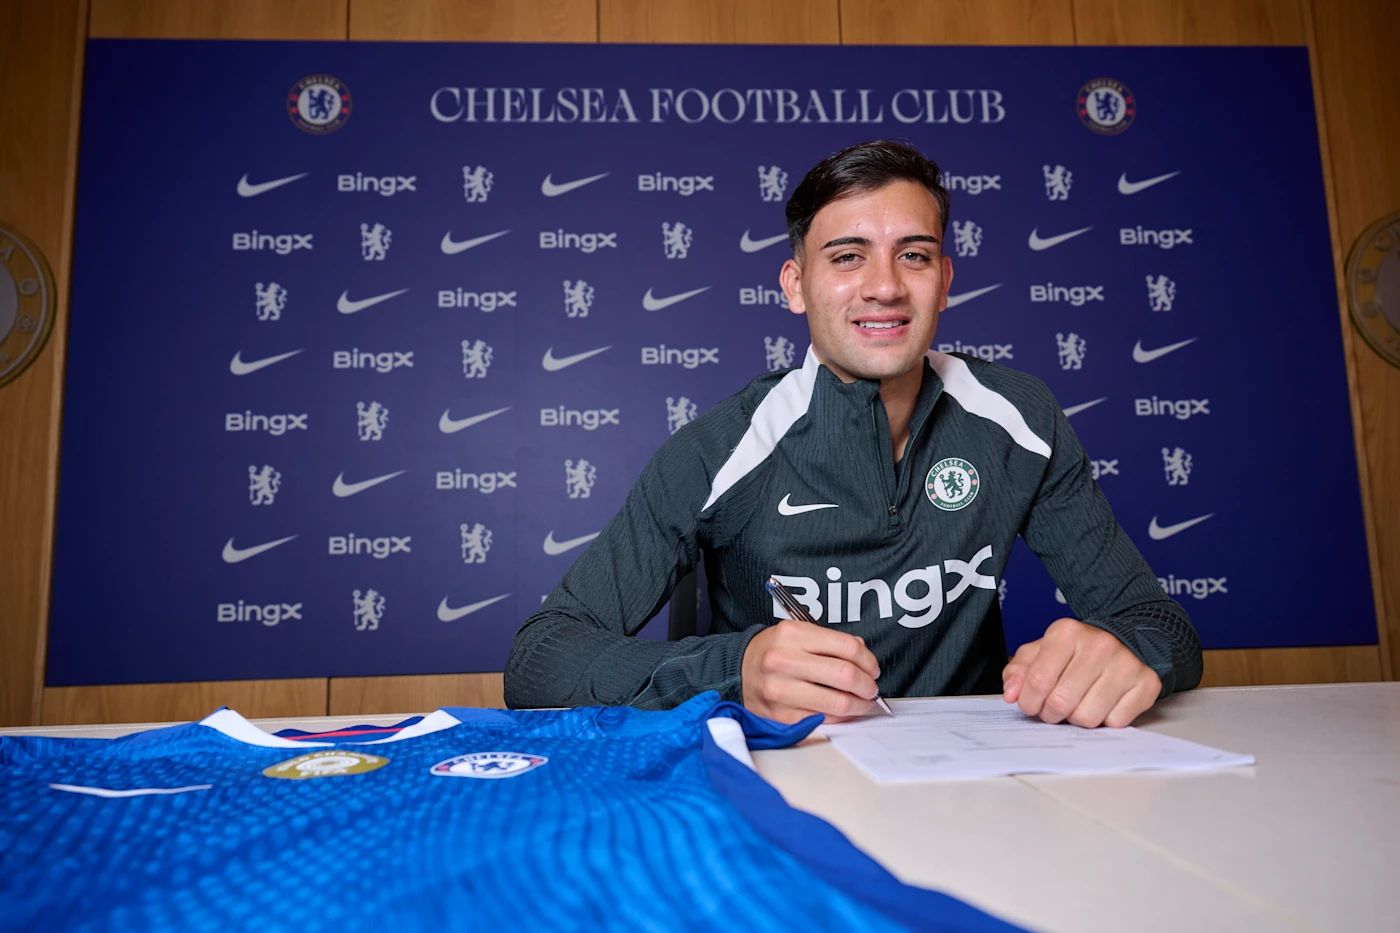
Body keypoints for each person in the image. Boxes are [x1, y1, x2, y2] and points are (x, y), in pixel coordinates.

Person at [506, 139, 1202, 727]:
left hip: (975, 796)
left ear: (945, 279)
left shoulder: (1019, 417)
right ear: (796, 284)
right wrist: (734, 667)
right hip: (780, 795)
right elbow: (540, 660)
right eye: (847, 257)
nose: (885, 287)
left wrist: (1125, 649)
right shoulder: (722, 446)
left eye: (914, 255)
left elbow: (1160, 624)